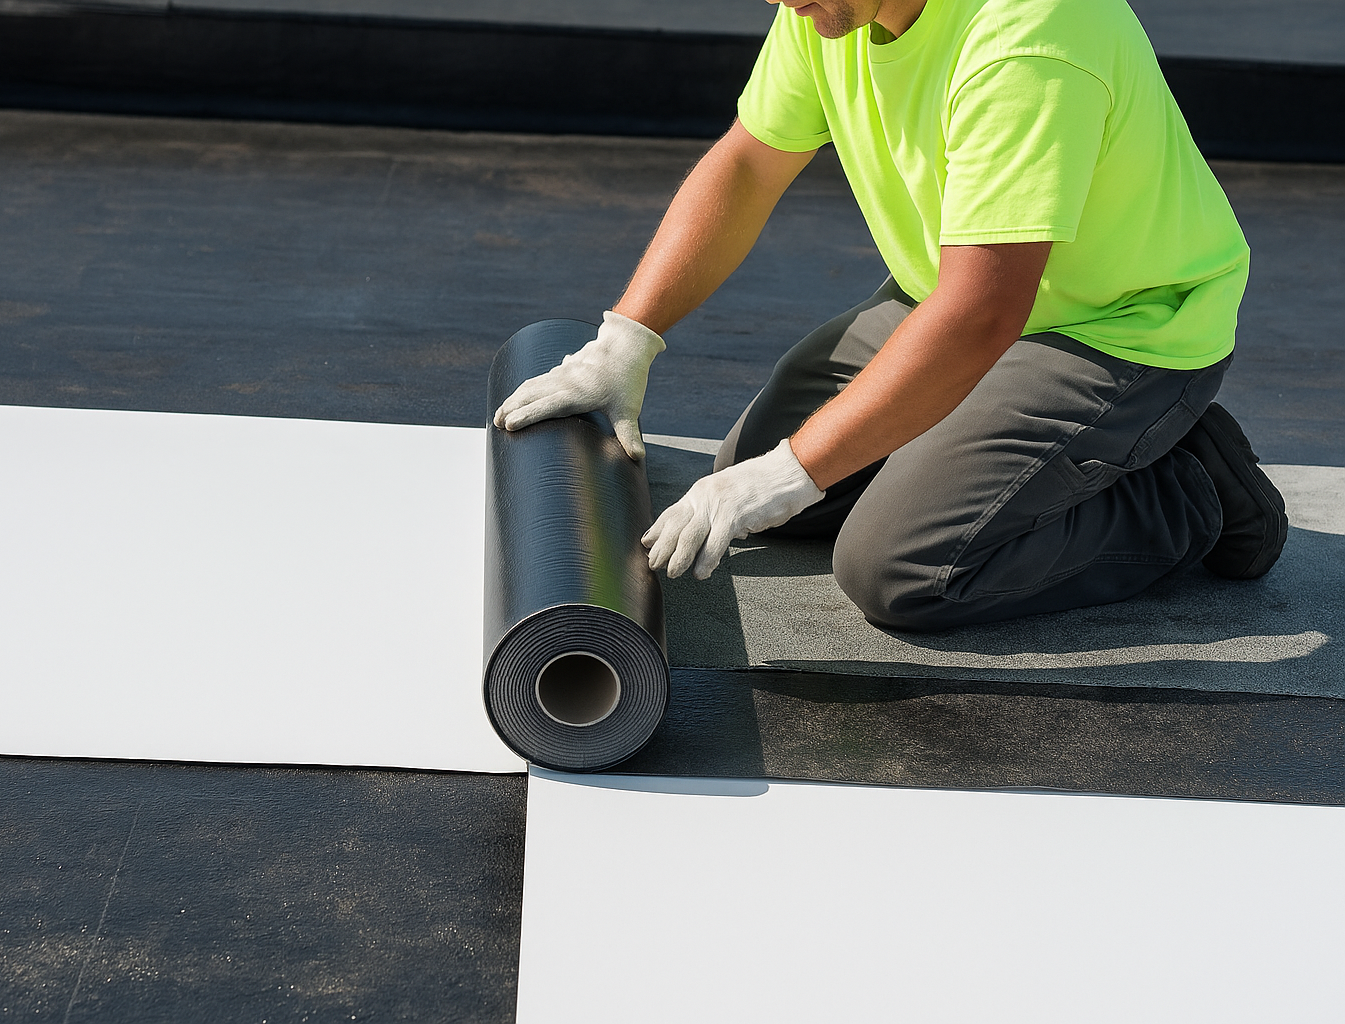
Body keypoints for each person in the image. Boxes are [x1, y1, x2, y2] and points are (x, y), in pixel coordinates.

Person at [493, 0, 1288, 631]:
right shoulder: (831, 8)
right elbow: (747, 164)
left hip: (1119, 332)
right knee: (755, 475)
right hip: (949, 299)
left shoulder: (1029, 35)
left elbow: (982, 312)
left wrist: (786, 475)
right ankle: (1037, 448)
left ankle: (1190, 489)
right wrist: (625, 343)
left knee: (898, 566)